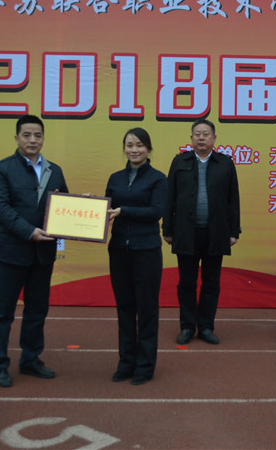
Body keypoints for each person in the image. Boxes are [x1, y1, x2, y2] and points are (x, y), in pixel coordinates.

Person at [0, 115, 68, 387]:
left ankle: (31, 359)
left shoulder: (55, 170)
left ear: (43, 138)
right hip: (12, 252)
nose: (33, 140)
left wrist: (84, 207)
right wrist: (29, 231)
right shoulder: (1, 169)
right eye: (27, 135)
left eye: (38, 135)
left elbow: (64, 206)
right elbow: (0, 208)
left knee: (37, 310)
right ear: (17, 138)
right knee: (2, 313)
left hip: (43, 254)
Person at [163, 119, 241, 345]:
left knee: (211, 283)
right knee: (186, 283)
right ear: (191, 139)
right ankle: (187, 326)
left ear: (214, 138)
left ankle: (206, 327)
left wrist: (234, 231)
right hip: (185, 232)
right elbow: (169, 198)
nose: (201, 137)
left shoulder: (225, 163)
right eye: (197, 134)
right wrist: (167, 229)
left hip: (216, 233)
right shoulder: (180, 161)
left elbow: (233, 200)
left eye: (206, 134)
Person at [105, 128, 168, 385]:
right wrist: (89, 204)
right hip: (119, 250)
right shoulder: (115, 178)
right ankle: (126, 362)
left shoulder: (158, 179)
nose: (134, 150)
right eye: (129, 145)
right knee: (124, 309)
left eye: (140, 145)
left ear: (148, 148)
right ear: (124, 148)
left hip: (147, 251)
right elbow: (106, 209)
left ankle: (145, 366)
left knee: (147, 310)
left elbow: (156, 211)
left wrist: (123, 211)